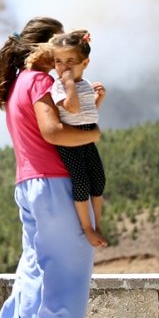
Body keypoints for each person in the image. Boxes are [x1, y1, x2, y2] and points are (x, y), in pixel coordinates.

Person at [0, 16, 103, 318]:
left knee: (37, 269)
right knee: (67, 274)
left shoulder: (16, 84)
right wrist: (93, 135)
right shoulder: (39, 81)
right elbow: (54, 133)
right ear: (44, 48)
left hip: (28, 185)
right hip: (55, 185)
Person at [48, 30, 108, 248]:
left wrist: (97, 99)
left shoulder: (85, 84)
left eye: (70, 61)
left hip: (87, 135)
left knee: (98, 180)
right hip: (70, 142)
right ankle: (87, 227)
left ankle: (97, 223)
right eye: (58, 61)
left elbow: (87, 112)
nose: (63, 67)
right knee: (81, 182)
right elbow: (72, 108)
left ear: (85, 63)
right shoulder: (58, 87)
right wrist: (69, 83)